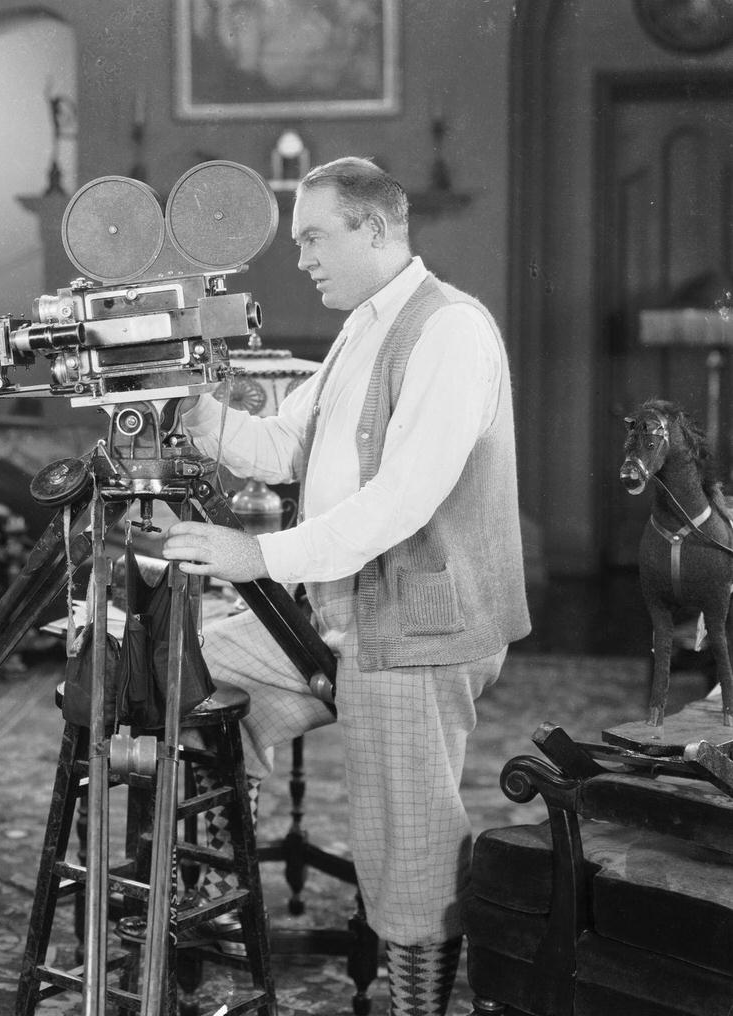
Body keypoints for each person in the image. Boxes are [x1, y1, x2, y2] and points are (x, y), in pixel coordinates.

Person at [162, 157, 530, 1016]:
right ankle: (220, 901)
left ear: (375, 229)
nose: (301, 260)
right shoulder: (363, 326)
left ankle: (418, 1007)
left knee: (407, 842)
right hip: (338, 609)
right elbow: (283, 448)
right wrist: (184, 400)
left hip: (420, 622)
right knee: (188, 675)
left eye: (314, 238)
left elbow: (402, 502)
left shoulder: (451, 332)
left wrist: (260, 556)